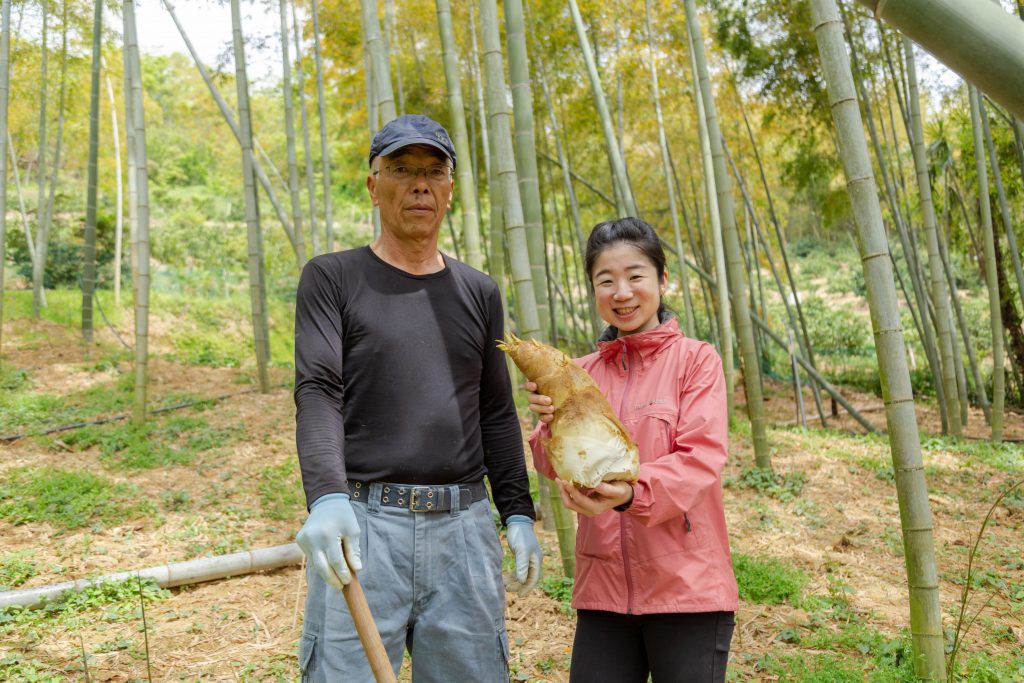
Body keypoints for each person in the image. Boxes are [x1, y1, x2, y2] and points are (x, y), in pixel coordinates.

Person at [293, 113, 542, 682]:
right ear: (373, 184)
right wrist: (326, 497)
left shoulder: (479, 291)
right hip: (364, 525)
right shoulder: (332, 278)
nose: (419, 184)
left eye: (434, 171)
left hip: (463, 527)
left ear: (451, 189)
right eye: (401, 170)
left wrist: (518, 511)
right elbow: (319, 390)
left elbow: (497, 412)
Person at [525, 217, 738, 683]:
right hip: (603, 591)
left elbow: (700, 459)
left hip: (687, 588)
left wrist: (628, 494)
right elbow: (553, 465)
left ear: (662, 280)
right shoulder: (577, 373)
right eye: (606, 280)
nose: (621, 292)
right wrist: (545, 426)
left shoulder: (696, 361)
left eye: (635, 276)